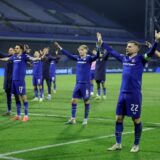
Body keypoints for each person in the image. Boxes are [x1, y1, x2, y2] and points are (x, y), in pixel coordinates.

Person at [96, 31, 160, 152]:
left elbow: (151, 53)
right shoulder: (124, 58)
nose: (127, 48)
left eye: (129, 46)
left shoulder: (141, 59)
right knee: (118, 118)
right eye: (127, 46)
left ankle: (136, 144)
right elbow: (112, 52)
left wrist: (156, 41)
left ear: (136, 48)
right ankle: (118, 143)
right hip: (122, 94)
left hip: (134, 95)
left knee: (136, 119)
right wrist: (102, 42)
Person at [54, 42, 100, 125]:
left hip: (85, 84)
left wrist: (98, 47)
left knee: (86, 101)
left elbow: (97, 56)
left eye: (82, 50)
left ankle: (85, 119)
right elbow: (68, 55)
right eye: (79, 50)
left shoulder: (89, 58)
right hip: (78, 84)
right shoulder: (78, 58)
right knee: (73, 101)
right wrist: (60, 48)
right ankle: (73, 119)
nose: (80, 51)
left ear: (86, 50)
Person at [0, 44, 41, 122]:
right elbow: (7, 58)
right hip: (14, 81)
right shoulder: (14, 56)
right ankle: (18, 115)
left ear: (21, 49)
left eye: (17, 48)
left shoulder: (24, 56)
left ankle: (26, 115)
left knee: (23, 97)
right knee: (16, 98)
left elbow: (32, 58)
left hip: (20, 81)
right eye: (15, 48)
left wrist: (39, 58)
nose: (15, 49)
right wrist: (1, 59)